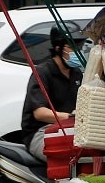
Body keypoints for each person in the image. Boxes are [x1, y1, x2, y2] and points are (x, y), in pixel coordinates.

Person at [21, 26, 86, 161]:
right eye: (72, 47)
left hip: (69, 129)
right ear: (58, 48)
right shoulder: (42, 72)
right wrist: (70, 116)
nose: (77, 52)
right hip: (41, 132)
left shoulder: (77, 73)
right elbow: (40, 113)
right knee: (67, 158)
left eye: (79, 47)